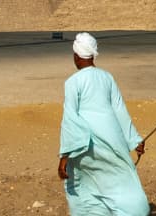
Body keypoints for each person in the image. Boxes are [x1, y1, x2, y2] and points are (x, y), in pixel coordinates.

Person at [58, 32, 150, 216]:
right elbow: (119, 111)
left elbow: (69, 118)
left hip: (82, 146)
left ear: (76, 56)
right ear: (92, 55)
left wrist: (64, 156)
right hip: (111, 142)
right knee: (121, 183)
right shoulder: (107, 77)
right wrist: (134, 140)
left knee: (84, 187)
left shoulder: (72, 82)